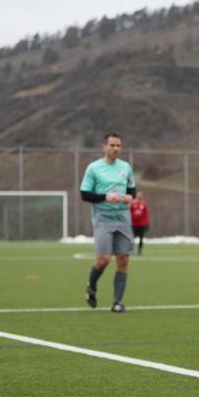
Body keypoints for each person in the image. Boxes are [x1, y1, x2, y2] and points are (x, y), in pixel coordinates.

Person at [80, 133, 136, 313]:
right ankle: (91, 286)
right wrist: (105, 196)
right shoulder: (94, 168)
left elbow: (132, 190)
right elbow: (84, 194)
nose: (116, 149)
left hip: (123, 219)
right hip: (103, 219)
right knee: (103, 259)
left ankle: (117, 302)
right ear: (104, 147)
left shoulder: (125, 167)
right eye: (112, 145)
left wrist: (129, 197)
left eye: (119, 146)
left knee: (123, 259)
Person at [130, 190, 150, 256]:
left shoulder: (143, 204)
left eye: (140, 195)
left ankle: (140, 250)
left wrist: (147, 223)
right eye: (138, 194)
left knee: (141, 238)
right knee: (132, 238)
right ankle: (131, 250)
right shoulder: (132, 203)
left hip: (141, 224)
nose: (139, 196)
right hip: (133, 224)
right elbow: (129, 213)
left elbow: (146, 214)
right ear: (136, 195)